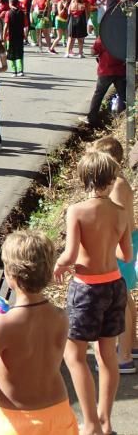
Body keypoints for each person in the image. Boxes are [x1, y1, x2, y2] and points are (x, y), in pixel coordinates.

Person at [0, 230, 78, 434]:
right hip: (59, 413)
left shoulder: (2, 325)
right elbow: (39, 367)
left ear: (11, 275)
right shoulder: (60, 316)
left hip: (17, 423)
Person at [53, 150, 132, 435]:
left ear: (84, 179)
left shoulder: (77, 211)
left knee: (73, 355)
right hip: (114, 286)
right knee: (107, 354)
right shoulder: (121, 213)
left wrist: (58, 266)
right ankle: (106, 420)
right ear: (111, 180)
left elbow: (71, 253)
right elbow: (126, 255)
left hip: (87, 289)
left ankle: (90, 424)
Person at [90, 136, 137, 374]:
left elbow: (118, 222)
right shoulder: (116, 182)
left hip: (122, 245)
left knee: (121, 302)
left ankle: (124, 357)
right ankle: (132, 346)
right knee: (125, 296)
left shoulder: (117, 185)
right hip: (125, 243)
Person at [86, 37, 126, 127]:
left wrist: (91, 49)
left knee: (99, 94)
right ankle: (121, 120)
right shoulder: (124, 36)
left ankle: (92, 118)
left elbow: (93, 52)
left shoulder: (104, 37)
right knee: (123, 96)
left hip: (106, 70)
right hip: (121, 70)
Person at [4, 0, 27, 76]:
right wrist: (26, 36)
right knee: (19, 53)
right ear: (17, 3)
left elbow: (6, 26)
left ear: (10, 4)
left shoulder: (8, 13)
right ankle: (20, 70)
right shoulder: (22, 13)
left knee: (11, 54)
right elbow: (25, 26)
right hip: (20, 35)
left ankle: (14, 71)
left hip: (10, 36)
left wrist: (3, 37)